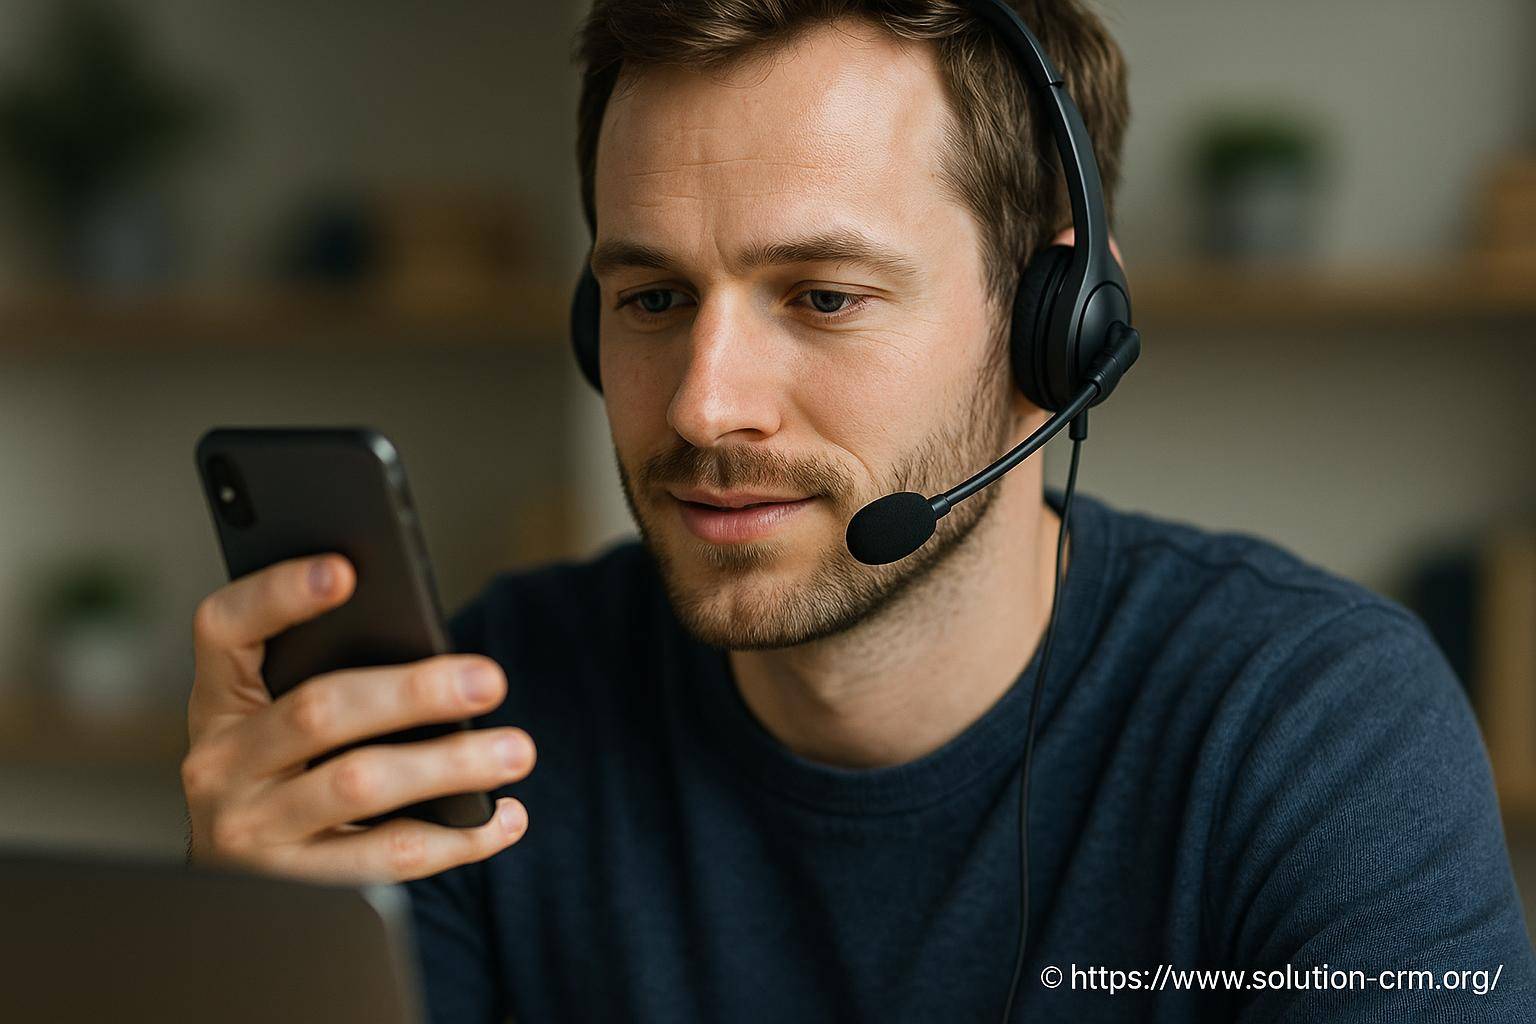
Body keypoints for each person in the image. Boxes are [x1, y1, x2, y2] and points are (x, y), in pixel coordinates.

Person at [180, 1, 1536, 1020]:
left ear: (1066, 334)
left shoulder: (1316, 733)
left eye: (823, 297)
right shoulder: (489, 719)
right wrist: (259, 971)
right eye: (652, 298)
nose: (706, 406)